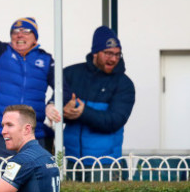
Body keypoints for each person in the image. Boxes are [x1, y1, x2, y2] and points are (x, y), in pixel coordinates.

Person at [0, 0, 66, 160]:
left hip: (33, 134)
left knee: (35, 182)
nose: (19, 35)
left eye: (26, 31)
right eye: (15, 31)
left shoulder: (46, 60)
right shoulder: (0, 52)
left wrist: (52, 104)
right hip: (0, 134)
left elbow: (64, 88)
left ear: (35, 38)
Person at [47, 26, 135, 180]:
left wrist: (82, 112)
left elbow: (113, 121)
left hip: (106, 165)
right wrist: (51, 106)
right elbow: (58, 102)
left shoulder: (124, 84)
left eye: (117, 54)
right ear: (95, 52)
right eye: (108, 53)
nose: (113, 59)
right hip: (73, 162)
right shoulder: (71, 73)